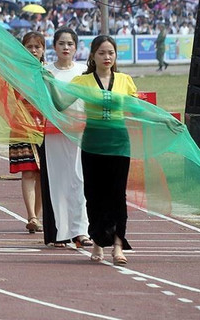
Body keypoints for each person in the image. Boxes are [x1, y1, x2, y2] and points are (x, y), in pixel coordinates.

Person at [69, 35, 137, 265]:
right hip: (93, 144)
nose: (107, 57)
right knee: (94, 195)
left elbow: (138, 109)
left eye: (111, 53)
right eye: (102, 53)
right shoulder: (82, 81)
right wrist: (45, 82)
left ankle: (118, 245)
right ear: (92, 55)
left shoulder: (126, 80)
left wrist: (165, 120)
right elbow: (59, 102)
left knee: (117, 195)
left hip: (119, 144)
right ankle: (97, 242)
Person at [41, 28, 91, 249]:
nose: (66, 48)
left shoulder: (84, 72)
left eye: (70, 44)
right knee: (58, 182)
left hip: (81, 132)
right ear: (54, 47)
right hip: (54, 133)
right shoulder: (45, 71)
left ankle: (81, 231)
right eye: (61, 43)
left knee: (79, 180)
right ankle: (61, 231)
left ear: (76, 47)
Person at [10, 31, 44, 235]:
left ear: (43, 51)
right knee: (29, 171)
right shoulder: (14, 72)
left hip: (45, 128)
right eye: (29, 46)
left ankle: (37, 217)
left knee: (42, 174)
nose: (33, 50)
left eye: (37, 47)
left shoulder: (48, 73)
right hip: (21, 127)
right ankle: (31, 216)